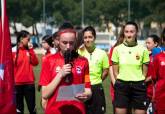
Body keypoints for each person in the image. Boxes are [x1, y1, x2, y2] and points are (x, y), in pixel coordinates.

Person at [39, 23, 92, 114]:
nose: (68, 46)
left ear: (75, 41)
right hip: (54, 111)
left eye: (71, 43)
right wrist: (60, 75)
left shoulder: (83, 61)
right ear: (58, 41)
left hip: (77, 110)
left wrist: (86, 95)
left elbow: (88, 89)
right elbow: (45, 94)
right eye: (64, 42)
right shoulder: (49, 60)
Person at [111, 21, 150, 114]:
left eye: (132, 32)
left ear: (137, 33)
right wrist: (120, 82)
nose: (129, 34)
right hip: (122, 87)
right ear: (123, 33)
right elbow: (115, 72)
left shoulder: (143, 50)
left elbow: (144, 73)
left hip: (139, 87)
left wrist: (138, 80)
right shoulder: (117, 49)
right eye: (126, 32)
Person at [78, 26, 109, 114]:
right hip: (82, 89)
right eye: (85, 37)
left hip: (97, 89)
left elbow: (106, 71)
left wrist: (97, 80)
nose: (88, 40)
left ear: (94, 38)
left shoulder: (102, 53)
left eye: (90, 37)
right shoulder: (78, 53)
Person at [12, 30, 39, 114]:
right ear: (21, 39)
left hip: (29, 84)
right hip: (17, 85)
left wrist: (31, 50)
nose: (29, 41)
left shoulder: (29, 50)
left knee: (32, 108)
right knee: (19, 109)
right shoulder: (12, 50)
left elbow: (35, 63)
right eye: (28, 39)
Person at [109, 26, 125, 114]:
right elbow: (111, 67)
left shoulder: (136, 48)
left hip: (132, 87)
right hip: (118, 87)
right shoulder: (115, 49)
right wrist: (116, 83)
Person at [38, 35, 56, 109]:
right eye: (42, 42)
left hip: (52, 82)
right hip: (46, 82)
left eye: (44, 42)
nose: (42, 44)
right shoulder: (46, 53)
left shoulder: (54, 53)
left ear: (50, 42)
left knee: (46, 103)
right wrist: (41, 83)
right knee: (45, 104)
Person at [145, 34, 160, 114]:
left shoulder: (159, 57)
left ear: (156, 44)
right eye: (146, 43)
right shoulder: (146, 55)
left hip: (156, 92)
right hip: (145, 91)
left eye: (149, 43)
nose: (146, 45)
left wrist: (148, 79)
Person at [152, 30, 165, 114]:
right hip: (161, 96)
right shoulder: (158, 57)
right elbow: (154, 78)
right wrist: (154, 95)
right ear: (163, 40)